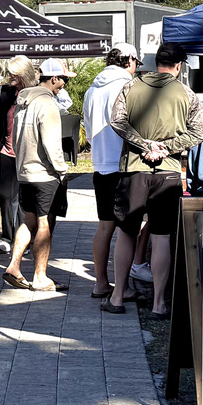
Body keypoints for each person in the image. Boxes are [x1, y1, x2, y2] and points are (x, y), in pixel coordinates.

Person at [106, 42, 203, 317]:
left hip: (133, 169)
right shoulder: (186, 93)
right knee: (161, 237)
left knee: (126, 232)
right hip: (168, 172)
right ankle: (159, 303)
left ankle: (116, 297)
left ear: (154, 61)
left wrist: (144, 145)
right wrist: (167, 148)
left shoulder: (131, 87)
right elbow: (199, 132)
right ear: (179, 66)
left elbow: (117, 121)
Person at [2, 58, 74, 293]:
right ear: (53, 78)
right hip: (44, 173)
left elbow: (16, 139)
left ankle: (14, 265)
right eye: (63, 79)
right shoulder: (47, 103)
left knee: (28, 220)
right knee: (44, 223)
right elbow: (52, 142)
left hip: (24, 172)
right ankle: (40, 276)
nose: (64, 84)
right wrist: (62, 170)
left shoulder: (23, 101)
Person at [82, 42, 139, 299]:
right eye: (137, 63)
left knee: (105, 226)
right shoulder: (127, 86)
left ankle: (100, 282)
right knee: (127, 228)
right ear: (129, 60)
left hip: (101, 163)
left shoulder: (92, 89)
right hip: (124, 164)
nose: (137, 68)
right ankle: (122, 286)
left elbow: (88, 127)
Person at [0, 56, 37, 254]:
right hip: (8, 151)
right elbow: (0, 120)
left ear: (23, 73)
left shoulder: (35, 94)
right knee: (6, 196)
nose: (8, 77)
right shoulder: (6, 93)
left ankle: (22, 239)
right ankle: (7, 237)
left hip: (29, 154)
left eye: (13, 74)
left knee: (24, 199)